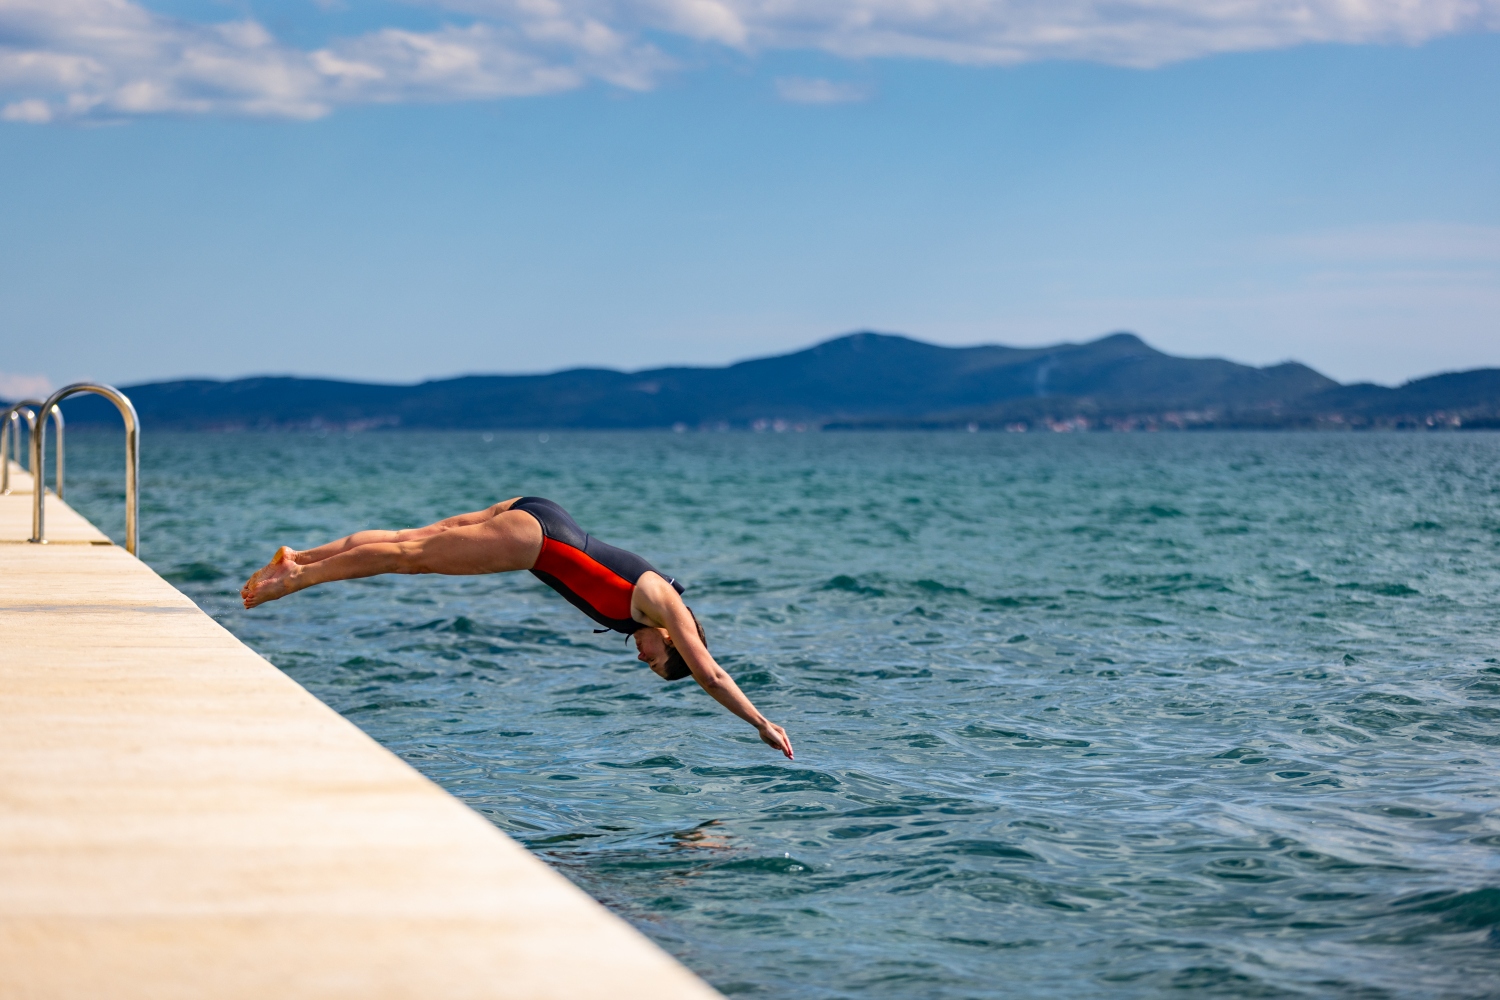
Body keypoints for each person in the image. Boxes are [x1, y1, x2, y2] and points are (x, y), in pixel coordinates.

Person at [241, 496, 794, 759]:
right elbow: (713, 675)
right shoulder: (664, 605)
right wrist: (760, 722)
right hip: (540, 541)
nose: (642, 659)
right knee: (410, 555)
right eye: (653, 660)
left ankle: (299, 556)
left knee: (412, 539)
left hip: (542, 517)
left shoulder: (646, 614)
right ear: (674, 642)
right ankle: (295, 578)